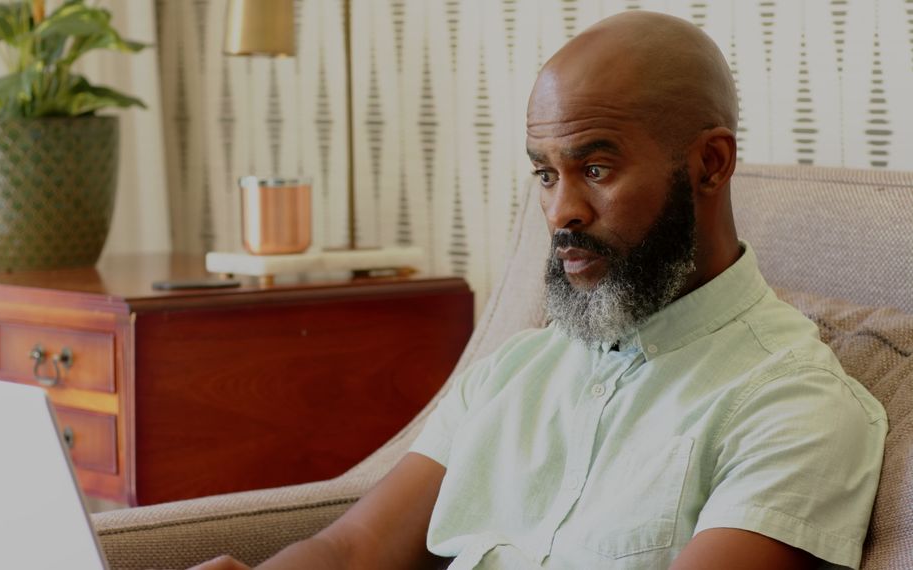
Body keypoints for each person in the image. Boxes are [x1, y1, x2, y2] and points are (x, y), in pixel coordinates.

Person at [192, 11, 886, 570]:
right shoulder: (514, 373)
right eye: (546, 175)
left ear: (711, 163)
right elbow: (352, 550)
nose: (561, 213)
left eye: (596, 168)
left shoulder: (792, 409)